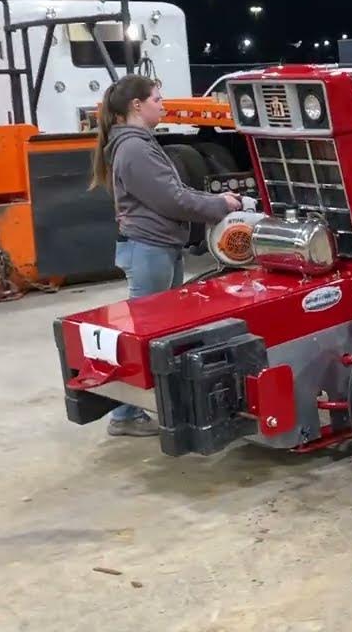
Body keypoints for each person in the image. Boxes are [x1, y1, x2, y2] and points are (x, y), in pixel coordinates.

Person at [88, 74, 243, 437]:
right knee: (144, 332)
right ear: (136, 106)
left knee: (160, 330)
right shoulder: (135, 149)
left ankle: (141, 409)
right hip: (150, 250)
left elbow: (173, 190)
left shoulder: (138, 143)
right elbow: (171, 199)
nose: (163, 104)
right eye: (157, 99)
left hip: (158, 247)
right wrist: (220, 205)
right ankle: (125, 415)